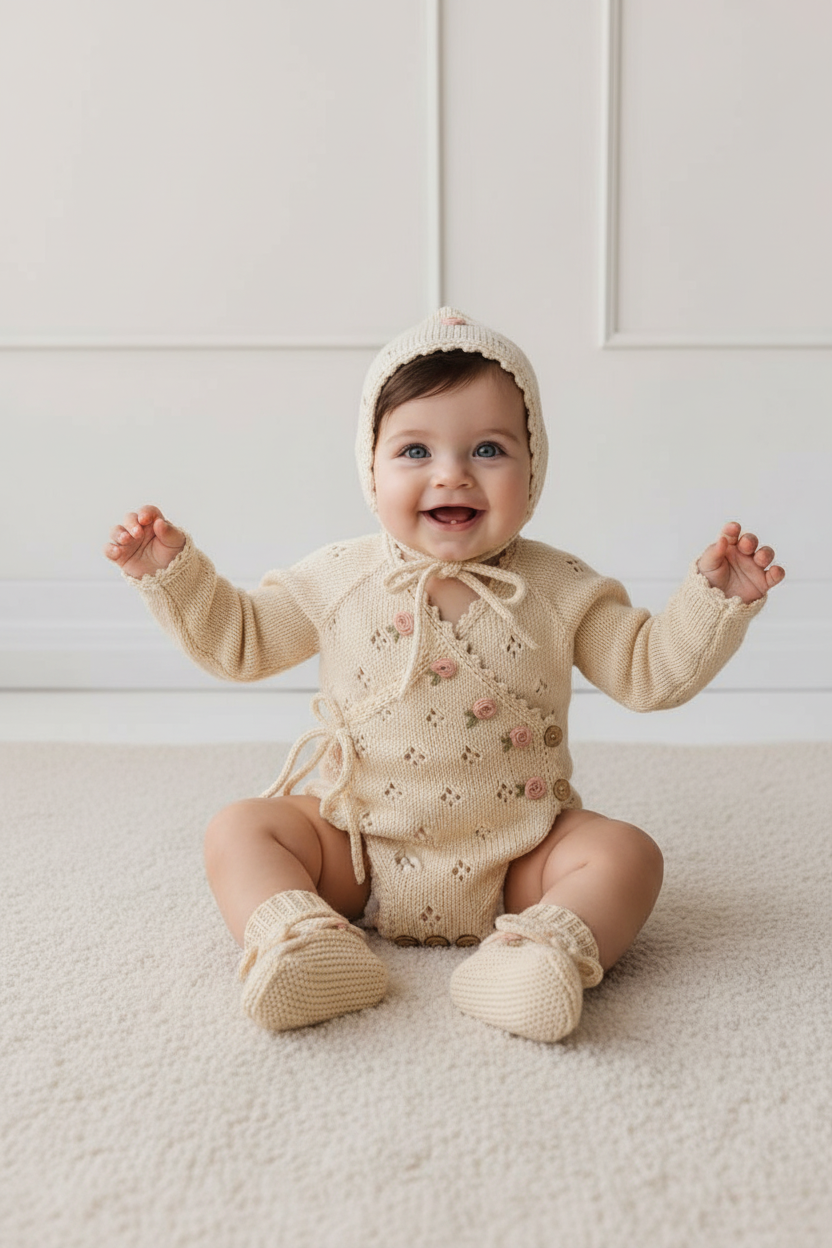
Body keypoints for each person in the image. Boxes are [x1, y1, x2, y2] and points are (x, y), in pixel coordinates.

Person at [104, 307, 785, 1043]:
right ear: (371, 466)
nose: (452, 473)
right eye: (415, 451)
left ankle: (537, 951)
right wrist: (175, 577)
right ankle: (305, 941)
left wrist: (713, 602)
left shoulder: (559, 587)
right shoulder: (338, 576)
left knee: (628, 855)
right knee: (239, 829)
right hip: (357, 846)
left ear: (536, 466)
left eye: (489, 448)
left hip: (520, 853)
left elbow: (648, 673)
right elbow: (243, 642)